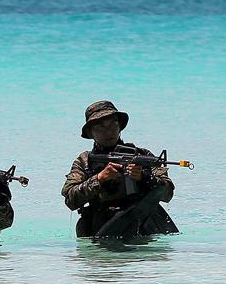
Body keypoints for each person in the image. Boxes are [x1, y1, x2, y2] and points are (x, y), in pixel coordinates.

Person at [62, 101, 176, 239]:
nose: (108, 131)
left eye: (113, 124)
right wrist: (99, 178)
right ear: (90, 133)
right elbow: (70, 200)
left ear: (120, 126)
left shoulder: (142, 156)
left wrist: (144, 178)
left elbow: (167, 193)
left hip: (142, 228)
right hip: (101, 231)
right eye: (100, 127)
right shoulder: (84, 161)